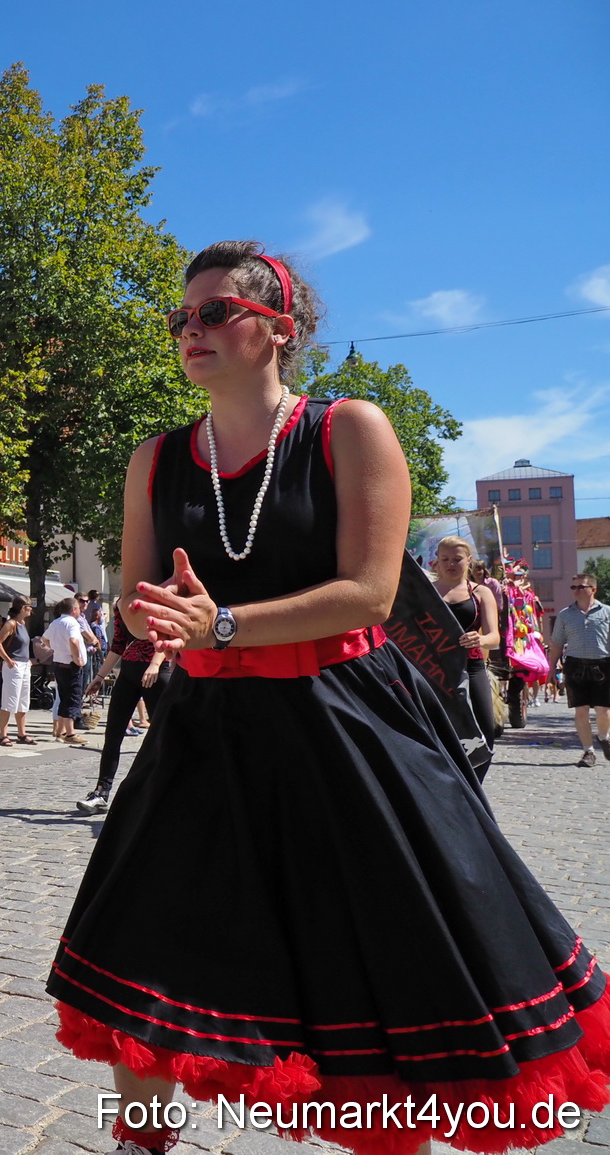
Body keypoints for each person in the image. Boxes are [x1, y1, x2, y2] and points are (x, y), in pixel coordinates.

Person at [47, 241, 610, 1155]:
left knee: (375, 968)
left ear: (280, 328)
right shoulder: (152, 460)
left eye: (215, 313)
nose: (191, 331)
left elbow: (369, 594)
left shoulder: (350, 427)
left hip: (343, 726)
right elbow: (140, 597)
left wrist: (220, 622)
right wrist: (149, 612)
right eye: (180, 318)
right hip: (201, 735)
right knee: (139, 964)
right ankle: (138, 1145)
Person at [77, 606, 168, 814]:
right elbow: (118, 645)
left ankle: (162, 791)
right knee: (113, 734)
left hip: (157, 673)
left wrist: (154, 664)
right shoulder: (122, 606)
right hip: (128, 673)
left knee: (162, 736)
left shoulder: (158, 597)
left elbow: (168, 635)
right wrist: (99, 677)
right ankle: (101, 793)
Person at [431, 535, 501, 774]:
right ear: (437, 561)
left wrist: (480, 639)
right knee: (439, 731)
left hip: (472, 666)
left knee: (484, 730)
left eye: (457, 559)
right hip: (434, 669)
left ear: (469, 560)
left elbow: (494, 637)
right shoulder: (428, 593)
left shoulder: (481, 593)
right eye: (445, 559)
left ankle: (475, 788)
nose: (451, 564)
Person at [546, 572, 610, 767]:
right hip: (574, 665)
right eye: (573, 587)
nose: (576, 591)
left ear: (593, 589)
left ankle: (604, 737)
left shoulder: (607, 612)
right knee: (580, 711)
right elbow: (556, 644)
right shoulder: (565, 614)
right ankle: (588, 752)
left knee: (604, 712)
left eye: (581, 587)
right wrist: (551, 670)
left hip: (603, 665)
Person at [41, 597, 87, 744]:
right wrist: (76, 658)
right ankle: (70, 733)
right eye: (78, 608)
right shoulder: (72, 623)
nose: (79, 611)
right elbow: (73, 641)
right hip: (70, 665)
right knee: (72, 699)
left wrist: (56, 648)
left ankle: (60, 732)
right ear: (74, 610)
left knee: (63, 698)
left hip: (59, 663)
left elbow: (44, 639)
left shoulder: (55, 623)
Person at [0, 597, 36, 745]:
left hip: (24, 665)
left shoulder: (22, 624)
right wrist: (7, 659)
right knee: (10, 700)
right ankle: (3, 735)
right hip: (14, 665)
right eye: (30, 606)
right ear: (23, 608)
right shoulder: (11, 624)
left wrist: (28, 660)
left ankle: (21, 733)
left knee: (23, 701)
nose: (31, 609)